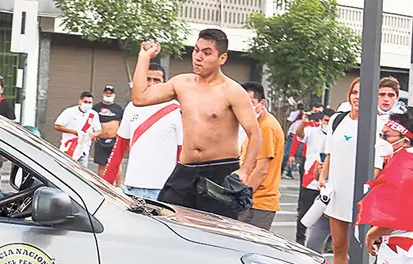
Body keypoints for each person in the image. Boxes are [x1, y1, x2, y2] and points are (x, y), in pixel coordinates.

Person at [132, 29, 262, 219]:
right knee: (164, 222)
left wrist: (244, 170)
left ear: (222, 58)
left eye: (206, 53)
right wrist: (144, 57)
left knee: (214, 235)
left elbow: (255, 133)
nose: (198, 57)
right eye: (196, 50)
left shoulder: (232, 91)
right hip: (185, 170)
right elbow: (140, 98)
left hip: (219, 171)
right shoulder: (182, 83)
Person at [317, 77, 393, 264]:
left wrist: (368, 190)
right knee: (339, 246)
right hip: (337, 190)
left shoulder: (379, 124)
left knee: (360, 249)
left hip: (361, 193)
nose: (357, 97)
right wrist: (323, 177)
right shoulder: (338, 119)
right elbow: (330, 152)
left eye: (362, 93)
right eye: (354, 92)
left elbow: (378, 160)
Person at [358, 111, 413, 264]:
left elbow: (395, 216)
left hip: (403, 242)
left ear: (404, 138)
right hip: (400, 240)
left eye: (387, 135)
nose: (382, 139)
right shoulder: (402, 162)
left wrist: (372, 234)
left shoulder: (403, 166)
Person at [103, 63, 182, 200]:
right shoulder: (132, 107)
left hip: (162, 189)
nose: (151, 84)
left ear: (164, 83)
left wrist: (178, 188)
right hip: (132, 187)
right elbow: (119, 147)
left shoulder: (177, 109)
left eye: (156, 80)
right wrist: (105, 183)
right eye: (147, 79)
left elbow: (182, 153)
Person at [236, 82, 284, 231]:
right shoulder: (256, 125)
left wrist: (242, 196)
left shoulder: (266, 127)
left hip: (258, 203)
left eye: (251, 103)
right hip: (254, 201)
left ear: (262, 103)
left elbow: (261, 169)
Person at [291, 108, 333, 245]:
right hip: (310, 180)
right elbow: (299, 135)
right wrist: (303, 123)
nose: (328, 123)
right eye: (326, 120)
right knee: (304, 211)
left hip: (328, 183)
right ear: (321, 120)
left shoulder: (336, 135)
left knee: (329, 215)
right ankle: (300, 239)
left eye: (330, 121)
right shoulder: (312, 131)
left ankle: (328, 242)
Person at [55, 92, 101, 168]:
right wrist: (74, 132)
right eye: (85, 102)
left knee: (82, 173)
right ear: (80, 101)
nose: (87, 104)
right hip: (68, 148)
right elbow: (57, 125)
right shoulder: (69, 112)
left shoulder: (93, 114)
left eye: (90, 102)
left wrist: (94, 134)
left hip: (83, 150)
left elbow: (99, 130)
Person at [92, 85, 125, 177]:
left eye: (110, 94)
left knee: (116, 164)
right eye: (107, 93)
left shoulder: (119, 109)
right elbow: (90, 121)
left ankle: (118, 186)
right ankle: (101, 187)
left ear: (114, 95)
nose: (108, 95)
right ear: (103, 94)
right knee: (102, 164)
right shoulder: (96, 108)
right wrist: (93, 134)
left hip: (114, 140)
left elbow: (124, 123)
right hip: (100, 140)